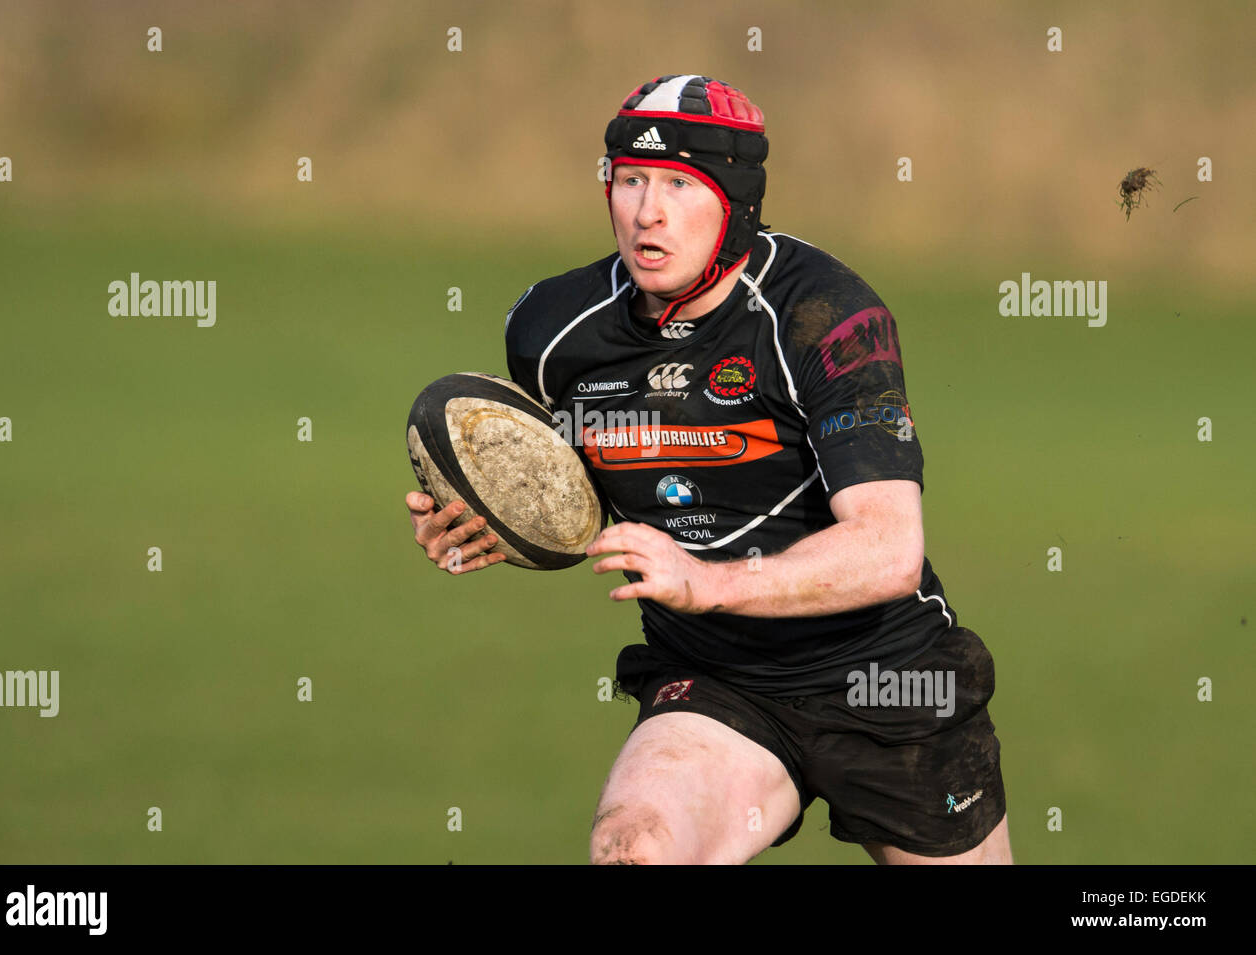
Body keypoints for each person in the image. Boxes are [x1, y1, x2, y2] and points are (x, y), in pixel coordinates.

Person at [406, 74, 1011, 864]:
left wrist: (710, 581)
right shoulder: (553, 331)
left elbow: (889, 549)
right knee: (635, 847)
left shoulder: (824, 317)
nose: (647, 211)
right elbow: (569, 478)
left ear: (736, 203)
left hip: (884, 681)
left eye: (679, 186)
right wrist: (488, 519)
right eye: (629, 181)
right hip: (715, 678)